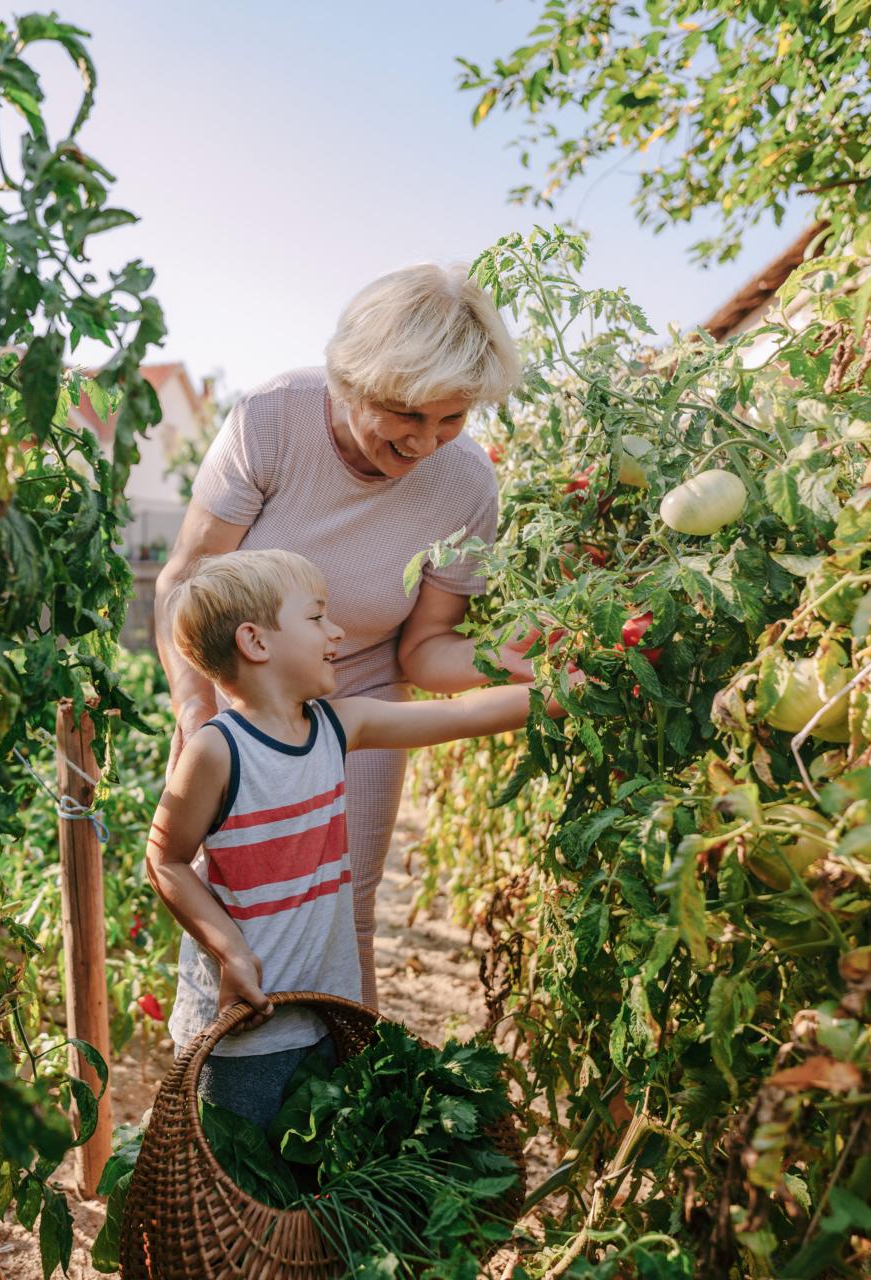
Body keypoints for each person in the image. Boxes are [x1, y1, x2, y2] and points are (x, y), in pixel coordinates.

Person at [155, 262, 530, 1009]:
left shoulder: (466, 484)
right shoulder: (271, 420)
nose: (427, 443)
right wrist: (202, 722)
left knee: (344, 908)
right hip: (243, 697)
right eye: (406, 414)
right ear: (351, 381)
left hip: (357, 688)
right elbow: (185, 583)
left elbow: (421, 652)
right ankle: (221, 1075)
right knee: (238, 897)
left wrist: (507, 662)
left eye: (451, 418)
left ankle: (343, 1095)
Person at [147, 549, 566, 1127]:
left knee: (312, 1179)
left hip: (326, 1012)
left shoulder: (336, 726)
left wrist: (563, 691)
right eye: (317, 617)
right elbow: (165, 859)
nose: (337, 631)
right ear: (256, 641)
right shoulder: (217, 751)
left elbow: (463, 714)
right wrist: (231, 952)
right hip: (244, 1028)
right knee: (242, 1187)